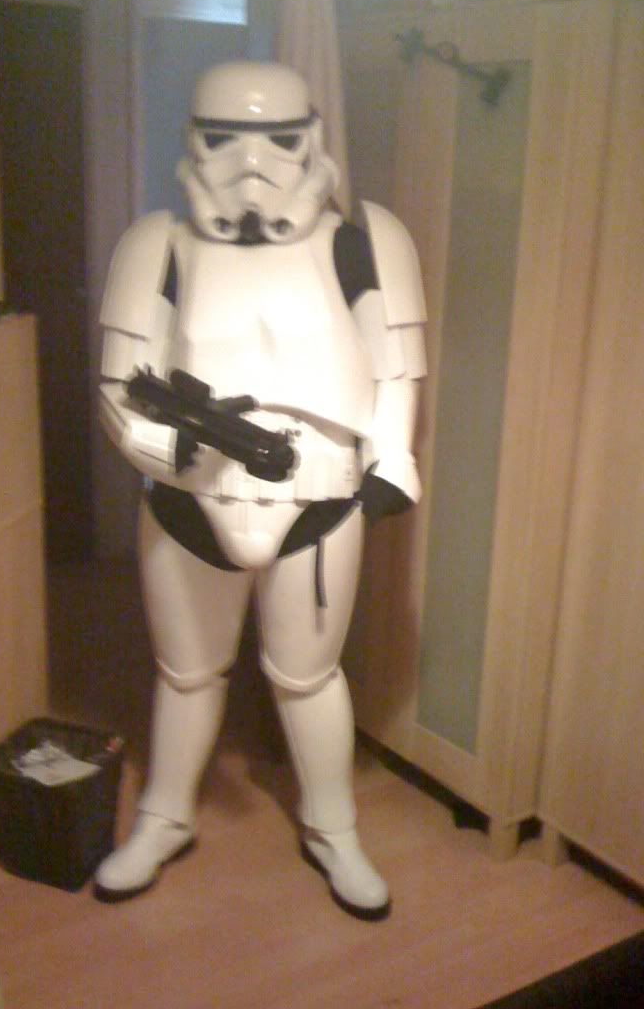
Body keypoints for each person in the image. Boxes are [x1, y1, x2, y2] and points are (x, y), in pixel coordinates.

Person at [94, 61, 426, 920]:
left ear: (310, 138)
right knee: (187, 673)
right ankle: (165, 817)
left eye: (278, 139)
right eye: (227, 139)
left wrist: (393, 457)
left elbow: (397, 366)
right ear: (194, 139)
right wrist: (159, 442)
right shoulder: (158, 243)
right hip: (187, 496)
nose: (253, 164)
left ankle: (333, 828)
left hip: (319, 493)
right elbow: (120, 383)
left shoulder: (362, 241)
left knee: (308, 678)